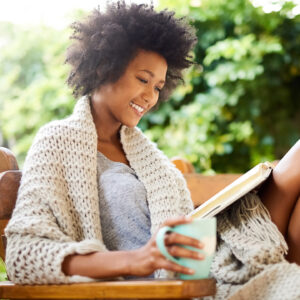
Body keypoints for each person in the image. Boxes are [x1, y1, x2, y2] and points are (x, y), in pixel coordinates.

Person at [4, 1, 300, 298]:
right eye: (143, 80)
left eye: (158, 87)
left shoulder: (153, 162)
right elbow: (24, 253)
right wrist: (137, 258)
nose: (150, 96)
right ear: (104, 67)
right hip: (156, 289)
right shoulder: (56, 142)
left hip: (208, 271)